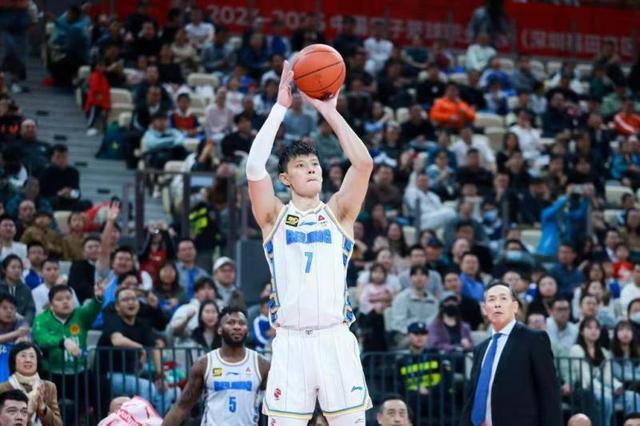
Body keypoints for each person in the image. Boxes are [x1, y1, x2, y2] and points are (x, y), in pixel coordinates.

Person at [245, 61, 373, 423]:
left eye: (314, 163)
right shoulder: (273, 216)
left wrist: (329, 111)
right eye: (301, 165)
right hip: (291, 342)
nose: (312, 168)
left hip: (336, 338)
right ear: (285, 178)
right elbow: (254, 169)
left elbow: (363, 165)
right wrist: (279, 108)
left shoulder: (339, 213)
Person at [460, 282, 562, 426]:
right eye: (491, 299)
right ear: (484, 309)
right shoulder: (480, 349)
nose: (497, 304)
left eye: (503, 298)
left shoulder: (534, 339)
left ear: (514, 307)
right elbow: (473, 397)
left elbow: (549, 393)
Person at [161, 307, 270, 425]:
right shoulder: (204, 364)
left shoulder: (261, 365)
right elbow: (182, 407)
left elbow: (278, 403)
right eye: (230, 322)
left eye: (241, 323)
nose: (237, 327)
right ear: (219, 330)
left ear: (247, 330)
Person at [32, 283, 103, 423]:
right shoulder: (41, 319)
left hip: (79, 372)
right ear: (51, 304)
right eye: (59, 299)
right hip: (52, 373)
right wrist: (62, 342)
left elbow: (92, 310)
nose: (65, 302)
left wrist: (98, 298)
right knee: (47, 407)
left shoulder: (80, 315)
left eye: (68, 298)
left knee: (101, 386)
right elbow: (41, 338)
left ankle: (101, 421)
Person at [96, 287, 174, 415]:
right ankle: (141, 421)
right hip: (109, 375)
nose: (130, 302)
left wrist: (160, 376)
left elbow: (154, 349)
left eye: (133, 299)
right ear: (117, 307)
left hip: (133, 375)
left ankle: (157, 421)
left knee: (166, 391)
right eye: (125, 300)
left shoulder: (142, 324)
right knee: (146, 387)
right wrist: (140, 347)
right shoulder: (113, 320)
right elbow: (117, 340)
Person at [570, 316, 640, 425]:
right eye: (589, 328)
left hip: (606, 389)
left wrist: (617, 386)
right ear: (582, 331)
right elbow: (586, 379)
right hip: (587, 390)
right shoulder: (576, 349)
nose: (594, 331)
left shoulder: (603, 351)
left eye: (596, 328)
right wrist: (606, 390)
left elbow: (607, 377)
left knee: (632, 396)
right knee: (606, 398)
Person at [0, 342, 61, 426]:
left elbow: (58, 424)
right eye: (23, 356)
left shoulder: (49, 387)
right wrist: (28, 412)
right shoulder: (3, 388)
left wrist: (43, 410)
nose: (28, 360)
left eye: (32, 356)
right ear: (13, 361)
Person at [0, 294, 30, 382]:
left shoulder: (21, 322)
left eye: (12, 308)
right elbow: (19, 333)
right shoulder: (18, 331)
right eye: (4, 308)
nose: (9, 311)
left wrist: (23, 340)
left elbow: (26, 341)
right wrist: (16, 333)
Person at [0, 255, 34, 324]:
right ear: (4, 270)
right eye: (13, 267)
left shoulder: (26, 289)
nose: (17, 270)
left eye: (19, 267)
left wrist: (25, 323)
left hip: (21, 324)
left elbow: (30, 310)